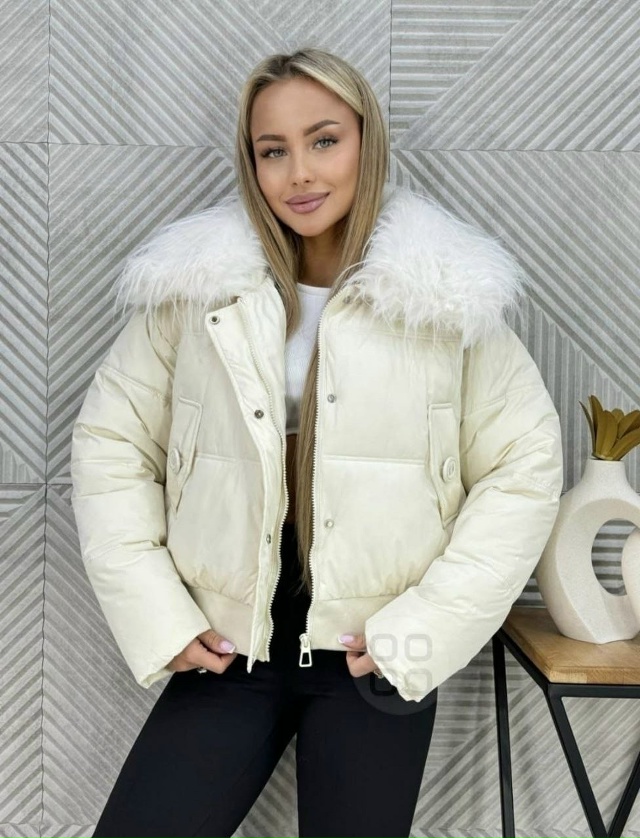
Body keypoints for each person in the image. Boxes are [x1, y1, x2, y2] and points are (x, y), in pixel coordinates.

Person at [70, 47, 563, 838]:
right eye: (273, 150)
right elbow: (111, 444)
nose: (298, 172)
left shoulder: (442, 297)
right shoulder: (198, 291)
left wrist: (421, 632)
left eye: (324, 140)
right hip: (233, 638)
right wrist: (160, 616)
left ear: (368, 141)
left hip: (375, 651)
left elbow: (522, 470)